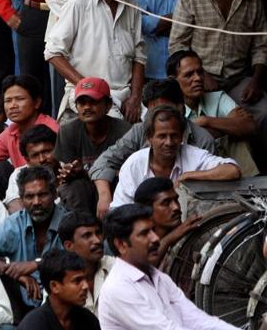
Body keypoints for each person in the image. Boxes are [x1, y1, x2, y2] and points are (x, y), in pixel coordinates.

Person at [170, 0, 267, 164]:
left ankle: (261, 174)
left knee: (263, 114)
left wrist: (256, 80)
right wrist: (200, 75)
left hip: (239, 80)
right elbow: (177, 45)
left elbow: (261, 45)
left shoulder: (252, 0)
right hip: (200, 80)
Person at [45, 0, 146, 124]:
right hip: (86, 97)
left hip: (123, 95)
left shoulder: (132, 6)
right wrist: (88, 87)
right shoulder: (79, 3)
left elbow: (139, 57)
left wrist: (135, 98)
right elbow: (52, 52)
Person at [99, 203, 240, 330]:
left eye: (152, 230)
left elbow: (197, 319)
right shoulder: (118, 288)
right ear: (121, 245)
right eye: (144, 234)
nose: (155, 238)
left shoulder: (159, 277)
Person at [90, 78, 217, 218]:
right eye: (152, 111)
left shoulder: (202, 140)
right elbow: (104, 162)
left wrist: (186, 178)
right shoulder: (141, 131)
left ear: (180, 107)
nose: (168, 142)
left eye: (164, 109)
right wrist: (104, 196)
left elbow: (213, 186)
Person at [0, 166, 67, 317]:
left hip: (62, 305)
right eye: (29, 197)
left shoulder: (67, 222)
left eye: (42, 195)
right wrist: (14, 272)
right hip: (22, 308)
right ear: (21, 199)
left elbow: (78, 260)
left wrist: (37, 264)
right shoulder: (14, 224)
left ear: (54, 194)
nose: (36, 202)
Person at [111, 105, 240, 208]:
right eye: (162, 136)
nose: (169, 142)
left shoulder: (192, 155)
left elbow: (232, 170)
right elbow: (119, 210)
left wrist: (188, 176)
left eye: (174, 135)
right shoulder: (135, 164)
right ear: (149, 139)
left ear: (181, 137)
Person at [167, 50, 260, 175]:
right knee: (230, 135)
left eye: (200, 72)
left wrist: (205, 121)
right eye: (189, 75)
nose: (198, 78)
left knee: (237, 139)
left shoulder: (217, 97)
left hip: (223, 165)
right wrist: (227, 125)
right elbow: (179, 141)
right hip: (186, 169)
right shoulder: (167, 105)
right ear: (173, 80)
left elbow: (250, 126)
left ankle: (249, 190)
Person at [54, 77, 131, 213]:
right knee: (74, 189)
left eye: (93, 102)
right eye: (82, 103)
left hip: (115, 185)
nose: (87, 108)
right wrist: (71, 172)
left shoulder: (125, 131)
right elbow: (66, 174)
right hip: (84, 186)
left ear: (108, 105)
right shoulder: (68, 131)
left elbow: (128, 173)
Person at [0, 74, 59, 182]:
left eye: (19, 99)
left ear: (37, 102)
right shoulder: (11, 132)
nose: (13, 106)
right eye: (8, 101)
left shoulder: (52, 129)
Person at [17, 249, 100, 330]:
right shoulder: (33, 325)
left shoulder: (89, 321)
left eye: (85, 279)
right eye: (77, 281)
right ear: (54, 286)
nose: (85, 286)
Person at [134, 177, 201, 265]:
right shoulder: (136, 245)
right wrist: (170, 238)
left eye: (176, 200)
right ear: (148, 212)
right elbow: (144, 269)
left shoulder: (188, 235)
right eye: (166, 203)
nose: (176, 207)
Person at [59, 211, 114, 314]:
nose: (97, 240)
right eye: (87, 236)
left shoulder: (116, 267)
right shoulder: (59, 278)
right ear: (69, 246)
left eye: (98, 233)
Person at [4, 124, 57, 213]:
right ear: (27, 159)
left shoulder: (69, 170)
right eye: (35, 155)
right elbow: (15, 208)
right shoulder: (18, 175)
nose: (42, 159)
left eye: (46, 151)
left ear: (57, 149)